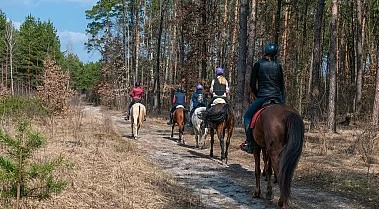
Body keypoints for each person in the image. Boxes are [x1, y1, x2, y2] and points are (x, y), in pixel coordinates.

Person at [241, 43, 285, 153]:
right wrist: (282, 99)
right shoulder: (278, 66)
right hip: (277, 97)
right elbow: (281, 85)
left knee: (247, 117)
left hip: (263, 97)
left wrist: (257, 94)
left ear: (265, 52)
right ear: (275, 54)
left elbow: (252, 84)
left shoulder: (258, 65)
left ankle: (250, 144)